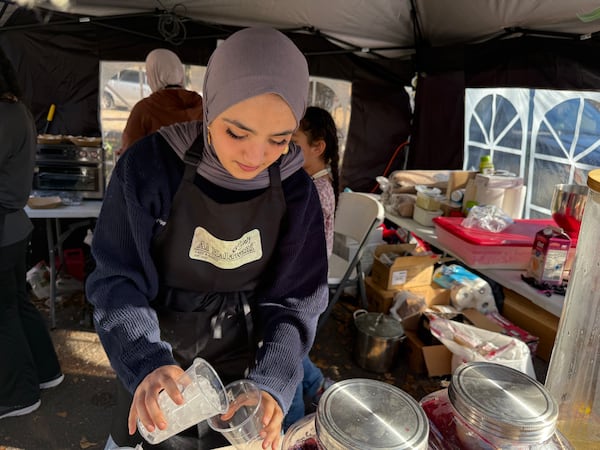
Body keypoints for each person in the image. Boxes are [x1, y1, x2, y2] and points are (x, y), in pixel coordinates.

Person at [86, 27, 329, 450]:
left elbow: (295, 301)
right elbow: (116, 280)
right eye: (237, 133)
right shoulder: (150, 167)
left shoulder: (296, 190)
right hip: (155, 345)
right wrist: (145, 361)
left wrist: (272, 381)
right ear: (209, 107)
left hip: (246, 359)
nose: (255, 158)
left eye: (280, 140)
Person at [0, 48, 64, 420]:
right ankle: (46, 372)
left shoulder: (4, 115)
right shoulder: (17, 110)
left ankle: (18, 395)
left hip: (4, 226)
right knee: (17, 304)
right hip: (14, 225)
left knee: (4, 311)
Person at [284, 106, 340, 430]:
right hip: (306, 282)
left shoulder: (314, 190)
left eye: (293, 142)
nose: (284, 150)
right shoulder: (313, 181)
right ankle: (317, 385)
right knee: (294, 345)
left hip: (300, 287)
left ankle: (292, 428)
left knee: (283, 358)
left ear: (317, 148)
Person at [117, 48, 203, 155]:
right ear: (180, 73)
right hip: (199, 171)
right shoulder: (203, 106)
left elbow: (129, 154)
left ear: (154, 75)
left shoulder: (144, 109)